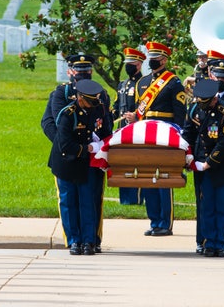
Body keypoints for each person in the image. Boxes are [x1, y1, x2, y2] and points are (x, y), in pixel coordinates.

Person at [48, 79, 112, 255]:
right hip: (66, 162)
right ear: (80, 98)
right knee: (69, 202)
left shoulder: (99, 109)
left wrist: (103, 145)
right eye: (89, 101)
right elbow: (65, 144)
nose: (93, 105)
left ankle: (89, 241)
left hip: (88, 164)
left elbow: (106, 130)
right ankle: (74, 241)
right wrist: (89, 148)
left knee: (87, 201)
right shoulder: (68, 114)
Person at [133, 41, 187, 237]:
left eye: (156, 58)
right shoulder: (143, 83)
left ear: (164, 60)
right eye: (151, 58)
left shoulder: (173, 82)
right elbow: (140, 111)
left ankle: (166, 222)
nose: (152, 61)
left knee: (163, 179)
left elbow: (180, 113)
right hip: (145, 134)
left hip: (165, 135)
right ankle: (154, 220)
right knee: (148, 178)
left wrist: (179, 138)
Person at [183, 79, 224, 257]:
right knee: (206, 205)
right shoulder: (194, 109)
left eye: (207, 103)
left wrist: (209, 162)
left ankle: (220, 244)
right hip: (201, 164)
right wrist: (188, 155)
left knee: (223, 205)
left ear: (215, 99)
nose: (203, 106)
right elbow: (188, 133)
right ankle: (208, 242)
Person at [113, 47, 145, 205]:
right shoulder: (122, 84)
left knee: (136, 162)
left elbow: (146, 107)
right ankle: (126, 198)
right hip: (122, 128)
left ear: (139, 64)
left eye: (131, 63)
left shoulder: (144, 84)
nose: (128, 66)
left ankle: (137, 196)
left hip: (137, 129)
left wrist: (137, 117)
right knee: (123, 163)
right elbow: (116, 105)